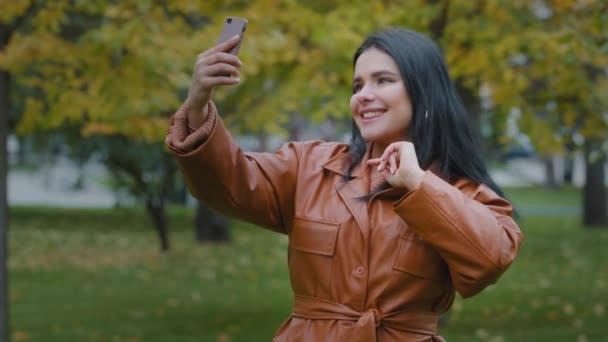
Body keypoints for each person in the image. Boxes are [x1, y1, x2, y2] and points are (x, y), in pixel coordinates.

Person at [166, 27, 524, 342]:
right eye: (357, 85)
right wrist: (198, 105)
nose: (363, 94)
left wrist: (419, 185)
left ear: (423, 93)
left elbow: (490, 259)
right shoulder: (309, 166)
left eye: (382, 80)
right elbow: (230, 183)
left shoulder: (459, 190)